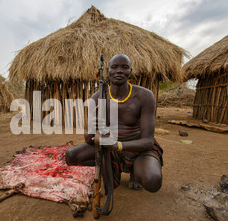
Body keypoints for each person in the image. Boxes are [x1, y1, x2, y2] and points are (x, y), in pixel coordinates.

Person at [65, 53, 163, 193]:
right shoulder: (97, 97)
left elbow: (148, 142)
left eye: (124, 67)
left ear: (130, 71)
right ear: (108, 71)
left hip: (137, 148)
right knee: (71, 156)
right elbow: (88, 138)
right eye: (114, 67)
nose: (119, 71)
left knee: (153, 181)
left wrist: (117, 145)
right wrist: (94, 127)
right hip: (108, 147)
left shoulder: (144, 96)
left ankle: (135, 172)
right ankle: (109, 167)